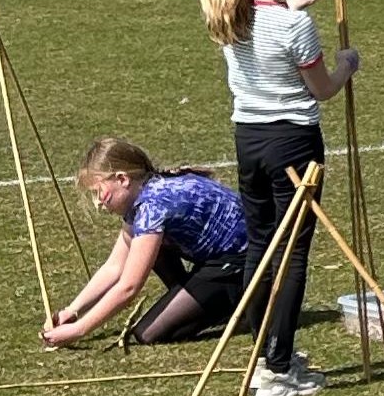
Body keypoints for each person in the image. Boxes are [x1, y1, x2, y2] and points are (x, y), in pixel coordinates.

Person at [201, 0, 360, 396]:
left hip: (249, 139)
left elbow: (267, 30)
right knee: (291, 254)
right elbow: (322, 89)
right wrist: (346, 65)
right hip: (293, 141)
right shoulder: (295, 26)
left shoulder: (231, 13)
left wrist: (289, 5)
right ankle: (278, 367)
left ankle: (263, 355)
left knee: (260, 245)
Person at [43, 138, 250, 349]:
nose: (98, 204)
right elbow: (115, 266)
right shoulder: (144, 194)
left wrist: (79, 330)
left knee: (148, 333)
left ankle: (241, 301)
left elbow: (129, 287)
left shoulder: (153, 206)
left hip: (240, 261)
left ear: (122, 179)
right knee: (146, 246)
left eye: (100, 193)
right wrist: (72, 311)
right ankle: (199, 299)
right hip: (216, 258)